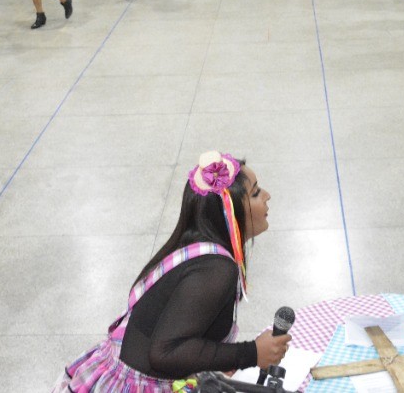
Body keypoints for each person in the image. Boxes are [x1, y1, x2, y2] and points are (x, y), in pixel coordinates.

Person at [55, 152, 281, 390]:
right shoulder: (216, 270)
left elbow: (181, 327)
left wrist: (220, 356)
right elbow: (165, 352)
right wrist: (250, 353)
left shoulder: (194, 247)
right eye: (255, 193)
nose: (267, 196)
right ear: (230, 212)